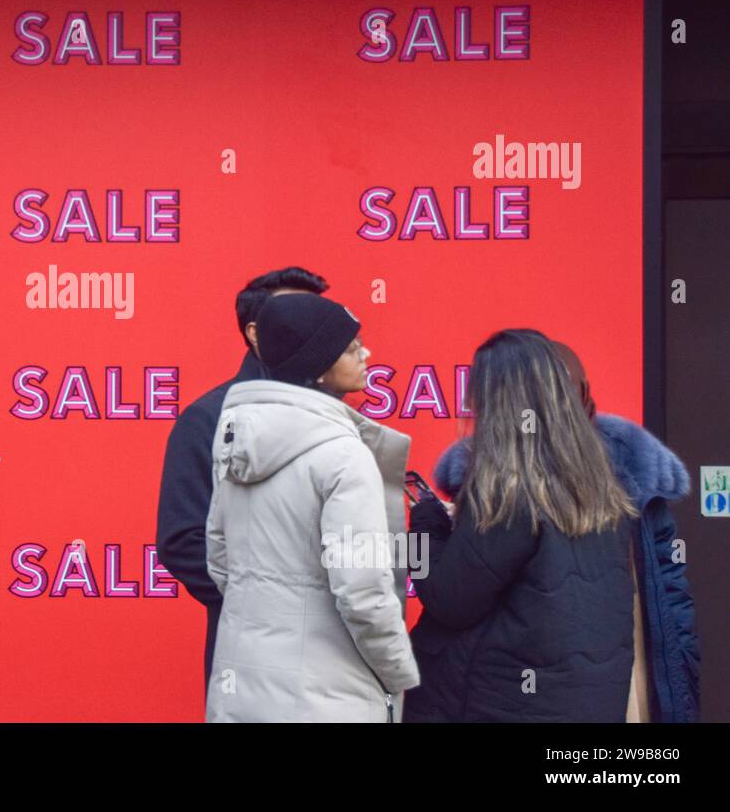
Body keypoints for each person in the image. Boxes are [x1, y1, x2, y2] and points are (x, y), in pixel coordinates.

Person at [429, 340, 700, 722]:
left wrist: (425, 533)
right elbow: (466, 596)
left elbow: (671, 595)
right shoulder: (497, 478)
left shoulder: (633, 477)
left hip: (626, 680)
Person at [405, 329, 638, 723]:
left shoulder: (509, 493)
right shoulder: (600, 489)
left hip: (501, 705)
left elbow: (447, 598)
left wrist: (423, 522)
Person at [205, 293, 418, 722]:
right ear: (320, 367)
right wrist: (397, 673)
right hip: (326, 697)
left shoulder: (235, 443)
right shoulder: (344, 454)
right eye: (351, 347)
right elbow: (362, 593)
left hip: (242, 690)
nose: (366, 353)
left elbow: (220, 560)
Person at [156, 266, 329, 695]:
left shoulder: (339, 416)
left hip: (339, 652)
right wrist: (270, 605)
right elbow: (183, 541)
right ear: (255, 332)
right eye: (296, 315)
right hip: (251, 657)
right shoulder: (208, 418)